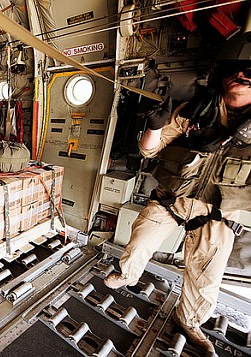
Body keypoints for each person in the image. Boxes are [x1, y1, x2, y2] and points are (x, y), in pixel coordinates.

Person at [104, 33, 251, 353]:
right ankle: (127, 275)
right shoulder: (193, 111)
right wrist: (154, 127)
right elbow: (148, 151)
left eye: (249, 72)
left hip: (218, 212)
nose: (240, 77)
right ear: (220, 74)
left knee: (206, 277)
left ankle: (190, 322)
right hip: (174, 198)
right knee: (140, 238)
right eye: (233, 70)